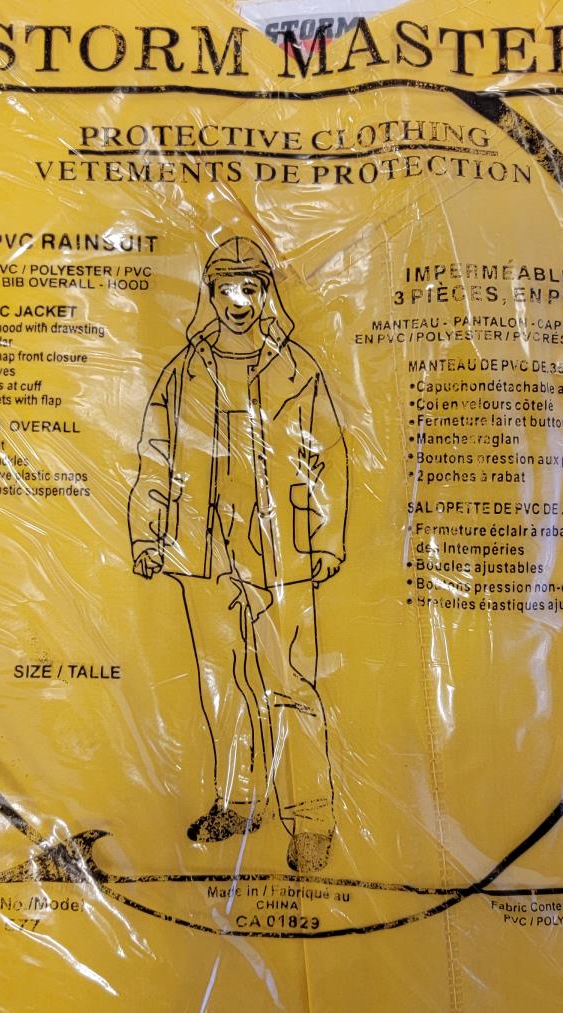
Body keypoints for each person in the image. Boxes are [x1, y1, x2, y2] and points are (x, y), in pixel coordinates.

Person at [129, 235, 348, 873]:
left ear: (265, 294)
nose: (237, 301)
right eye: (225, 288)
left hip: (281, 553)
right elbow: (156, 455)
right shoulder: (184, 371)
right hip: (203, 550)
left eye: (249, 288)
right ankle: (240, 801)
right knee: (222, 683)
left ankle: (311, 819)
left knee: (289, 683)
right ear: (210, 294)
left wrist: (326, 538)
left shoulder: (296, 369)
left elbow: (327, 455)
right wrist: (148, 534)